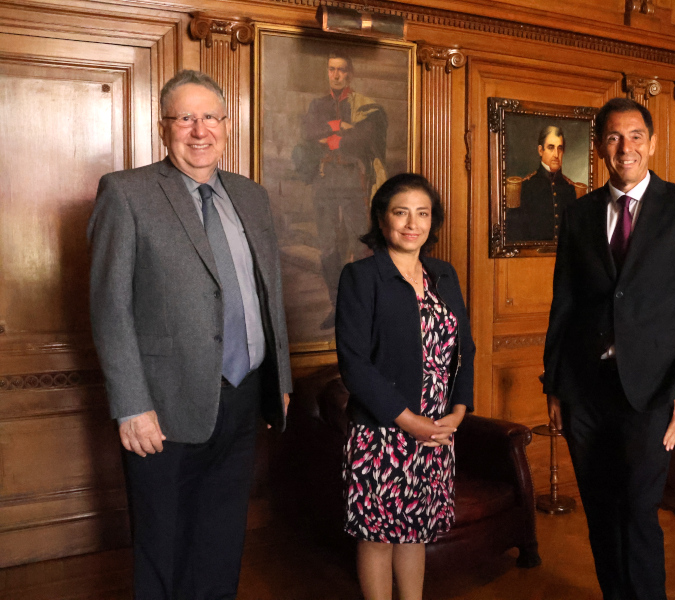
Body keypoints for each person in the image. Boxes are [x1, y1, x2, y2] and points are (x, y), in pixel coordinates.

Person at [88, 70, 292, 600]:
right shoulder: (126, 192)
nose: (199, 130)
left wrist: (281, 379)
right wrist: (131, 405)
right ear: (163, 129)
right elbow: (109, 306)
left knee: (223, 534)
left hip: (243, 394)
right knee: (163, 540)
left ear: (227, 125)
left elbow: (268, 291)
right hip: (162, 404)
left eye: (209, 117)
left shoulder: (251, 196)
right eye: (185, 118)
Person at [543, 98, 675, 600]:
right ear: (600, 147)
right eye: (615, 138)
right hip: (585, 389)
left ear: (653, 141)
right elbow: (565, 303)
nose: (627, 147)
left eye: (636, 136)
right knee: (599, 510)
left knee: (639, 509)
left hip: (653, 391)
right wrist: (554, 385)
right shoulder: (577, 214)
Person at [335, 173, 475, 600]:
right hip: (383, 432)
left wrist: (458, 411)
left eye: (423, 213)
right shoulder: (362, 277)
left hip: (436, 433)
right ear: (381, 219)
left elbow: (463, 350)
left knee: (415, 532)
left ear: (433, 222)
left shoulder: (444, 275)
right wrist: (408, 421)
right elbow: (354, 366)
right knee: (378, 536)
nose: (412, 223)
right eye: (401, 213)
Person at [296, 50, 388, 329]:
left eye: (341, 70)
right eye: (331, 69)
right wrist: (340, 128)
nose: (335, 75)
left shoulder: (363, 105)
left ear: (350, 73)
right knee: (327, 246)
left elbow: (363, 137)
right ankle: (336, 305)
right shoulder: (317, 104)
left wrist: (334, 138)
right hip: (325, 179)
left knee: (360, 241)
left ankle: (361, 304)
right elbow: (310, 132)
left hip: (351, 178)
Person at [506, 125, 580, 242]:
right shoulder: (526, 187)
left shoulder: (571, 189)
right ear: (541, 150)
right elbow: (514, 234)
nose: (556, 154)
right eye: (551, 147)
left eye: (559, 148)